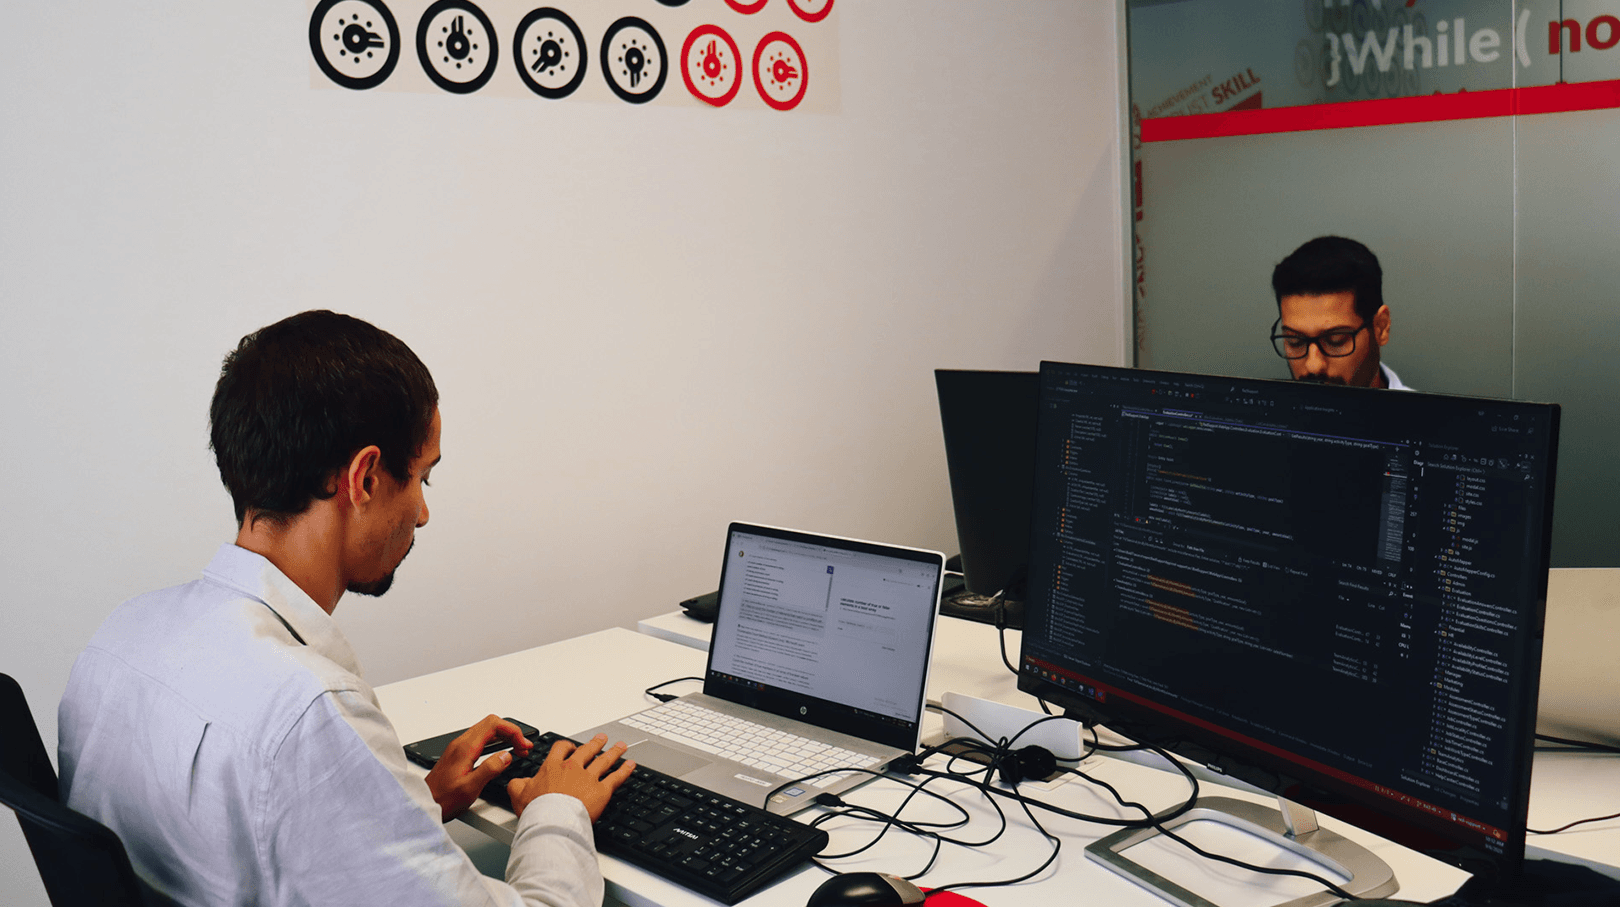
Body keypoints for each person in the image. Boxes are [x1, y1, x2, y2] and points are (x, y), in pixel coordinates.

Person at [57, 310, 633, 907]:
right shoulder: (309, 715)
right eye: (422, 480)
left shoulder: (117, 638)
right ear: (364, 478)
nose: (423, 513)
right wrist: (556, 809)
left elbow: (238, 852)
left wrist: (409, 807)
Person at [1269, 236, 1410, 390]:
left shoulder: (1430, 415)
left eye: (1335, 340)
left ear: (1381, 327)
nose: (1313, 366)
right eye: (1295, 341)